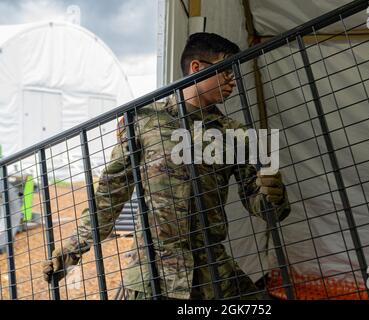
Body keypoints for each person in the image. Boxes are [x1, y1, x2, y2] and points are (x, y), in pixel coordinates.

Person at [42, 32, 291, 300]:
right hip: (152, 276)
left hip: (212, 276)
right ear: (197, 68)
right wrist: (71, 250)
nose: (233, 80)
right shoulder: (143, 121)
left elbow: (263, 205)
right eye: (226, 71)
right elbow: (110, 194)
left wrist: (273, 194)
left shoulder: (236, 134)